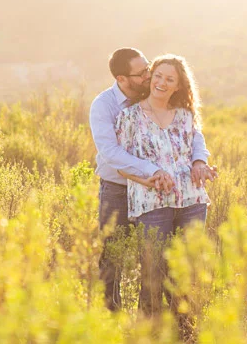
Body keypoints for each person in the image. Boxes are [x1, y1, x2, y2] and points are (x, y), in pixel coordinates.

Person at [90, 48, 214, 311]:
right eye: (143, 73)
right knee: (113, 253)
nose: (149, 76)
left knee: (166, 261)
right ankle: (110, 316)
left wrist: (199, 160)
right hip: (118, 187)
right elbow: (111, 152)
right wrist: (150, 171)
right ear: (122, 79)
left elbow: (191, 132)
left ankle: (179, 319)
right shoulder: (105, 106)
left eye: (149, 69)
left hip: (162, 191)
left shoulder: (155, 95)